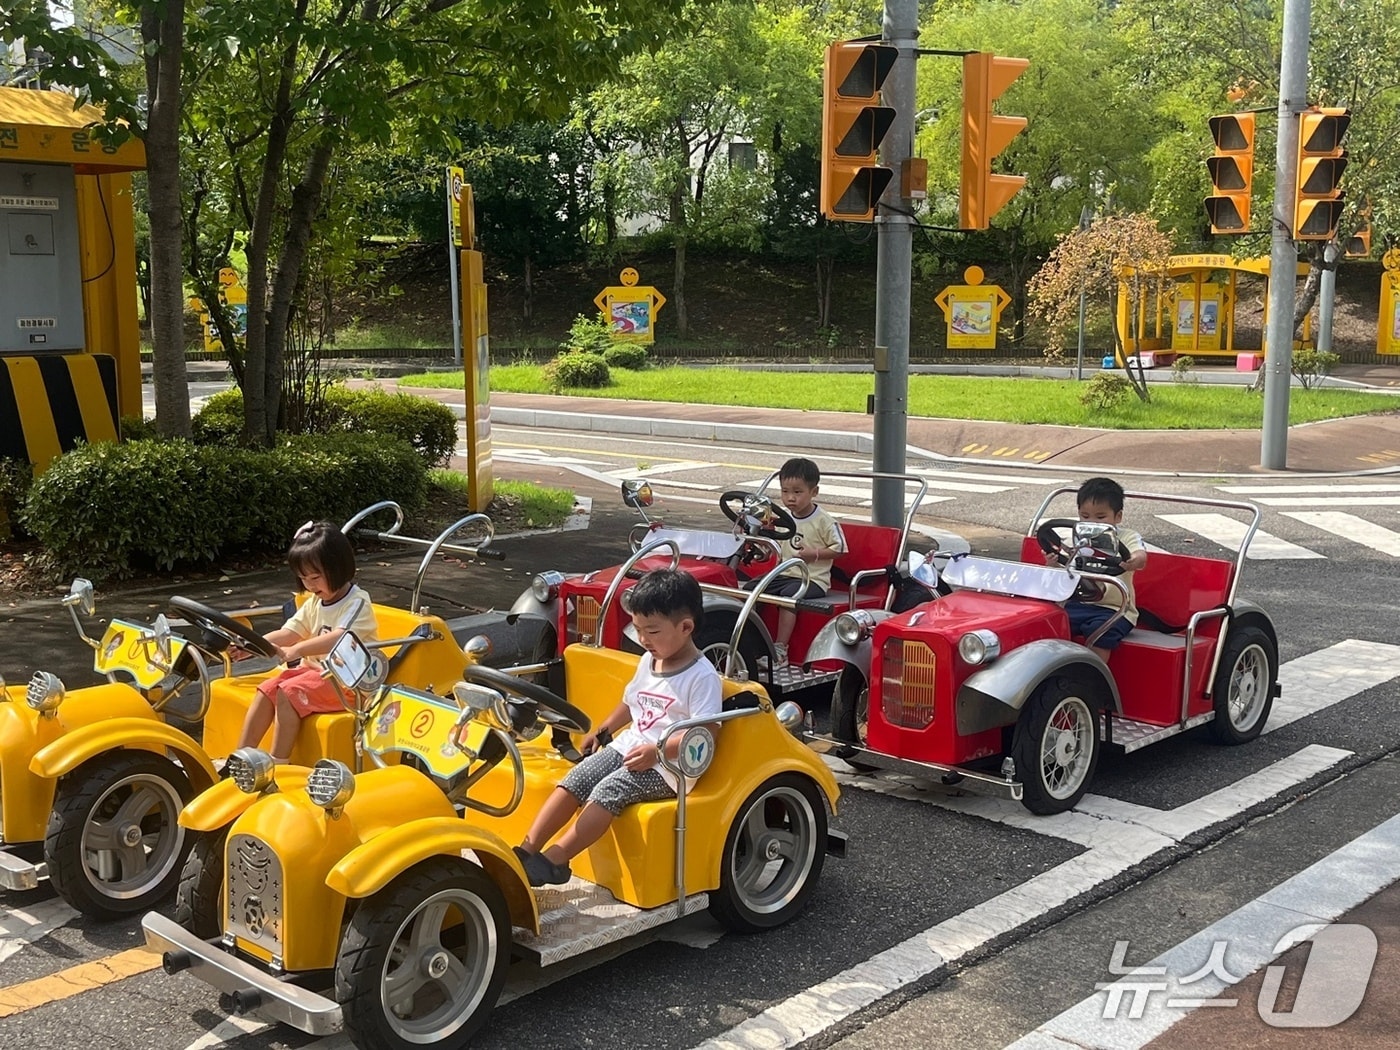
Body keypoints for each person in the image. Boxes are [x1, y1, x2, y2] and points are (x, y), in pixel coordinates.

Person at [514, 568, 722, 887]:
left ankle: (555, 860)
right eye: (638, 630)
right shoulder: (649, 660)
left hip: (670, 766)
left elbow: (705, 734)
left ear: (686, 627)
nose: (643, 640)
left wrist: (657, 751)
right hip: (632, 746)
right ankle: (526, 850)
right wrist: (604, 728)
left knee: (608, 790)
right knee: (577, 777)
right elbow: (631, 701)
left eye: (652, 631)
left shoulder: (702, 677)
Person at [233, 521, 379, 761]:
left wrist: (297, 650)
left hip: (349, 685)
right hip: (318, 675)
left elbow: (340, 637)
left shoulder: (357, 602)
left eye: (315, 577)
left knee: (288, 693)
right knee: (267, 689)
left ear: (339, 568)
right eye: (303, 578)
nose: (310, 585)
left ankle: (279, 762)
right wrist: (252, 644)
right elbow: (290, 632)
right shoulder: (314, 602)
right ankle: (240, 758)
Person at [755, 457, 846, 668]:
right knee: (752, 589)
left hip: (812, 579)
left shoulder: (824, 520)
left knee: (789, 596)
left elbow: (840, 549)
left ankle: (780, 650)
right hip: (784, 574)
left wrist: (813, 554)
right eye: (785, 491)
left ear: (814, 492)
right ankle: (752, 642)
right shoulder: (783, 519)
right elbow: (774, 546)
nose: (790, 498)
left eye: (797, 492)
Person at [1049, 477, 1148, 662]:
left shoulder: (1126, 537)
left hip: (1115, 609)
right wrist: (1054, 562)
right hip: (1079, 603)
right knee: (1047, 620)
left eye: (1100, 517)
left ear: (1117, 516)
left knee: (1100, 631)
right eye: (1085, 516)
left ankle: (1093, 679)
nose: (1092, 522)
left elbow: (1140, 557)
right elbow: (1067, 569)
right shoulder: (1078, 538)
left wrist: (1133, 560)